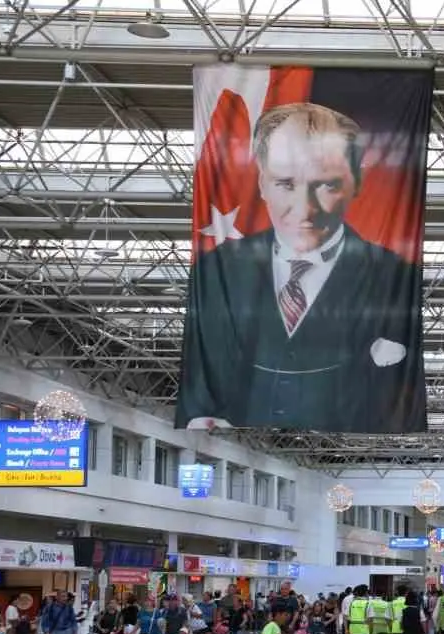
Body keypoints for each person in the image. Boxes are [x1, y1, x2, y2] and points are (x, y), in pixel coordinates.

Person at [176, 100, 427, 432]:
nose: (304, 209)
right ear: (262, 183)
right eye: (285, 184)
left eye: (327, 185)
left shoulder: (396, 280)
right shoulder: (214, 272)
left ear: (357, 182)